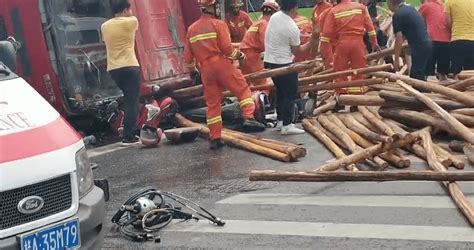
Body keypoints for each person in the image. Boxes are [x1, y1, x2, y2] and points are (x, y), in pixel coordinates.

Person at [184, 0, 266, 150]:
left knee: (213, 104)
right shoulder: (218, 24)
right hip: (221, 63)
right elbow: (227, 49)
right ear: (210, 7)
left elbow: (188, 59)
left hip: (205, 69)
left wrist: (195, 70)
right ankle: (249, 117)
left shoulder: (191, 29)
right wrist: (240, 56)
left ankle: (215, 137)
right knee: (242, 89)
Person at [264, 0, 318, 135]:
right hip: (283, 63)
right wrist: (312, 42)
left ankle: (281, 119)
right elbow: (298, 51)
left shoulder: (275, 17)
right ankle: (287, 125)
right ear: (294, 8)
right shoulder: (291, 26)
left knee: (281, 91)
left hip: (269, 61)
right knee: (290, 93)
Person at [102, 0, 142, 145]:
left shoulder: (104, 26)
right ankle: (128, 136)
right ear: (125, 10)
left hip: (113, 69)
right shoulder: (131, 22)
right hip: (130, 66)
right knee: (132, 101)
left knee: (127, 97)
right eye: (129, 10)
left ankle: (125, 126)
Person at [321, 0, 380, 94]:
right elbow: (370, 28)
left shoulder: (333, 11)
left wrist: (326, 57)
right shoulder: (361, 7)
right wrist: (374, 43)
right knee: (358, 72)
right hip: (358, 44)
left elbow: (325, 36)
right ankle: (355, 101)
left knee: (340, 73)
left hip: (342, 45)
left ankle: (341, 98)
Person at [239, 0, 279, 94]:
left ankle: (247, 103)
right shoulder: (265, 24)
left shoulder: (258, 22)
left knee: (247, 82)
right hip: (251, 55)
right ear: (273, 12)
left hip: (243, 54)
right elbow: (265, 42)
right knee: (261, 82)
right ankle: (264, 103)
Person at [388, 0, 432, 81]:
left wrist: (396, 59)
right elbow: (409, 31)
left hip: (420, 46)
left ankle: (423, 92)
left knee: (416, 76)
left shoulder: (397, 15)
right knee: (418, 74)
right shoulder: (411, 9)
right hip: (427, 43)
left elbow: (399, 38)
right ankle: (423, 91)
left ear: (391, 3)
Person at [419, 0, 451, 81]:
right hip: (447, 42)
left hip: (432, 41)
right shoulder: (444, 6)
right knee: (442, 74)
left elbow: (417, 20)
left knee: (429, 74)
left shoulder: (426, 6)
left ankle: (429, 90)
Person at [445, 0, 474, 78]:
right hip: (472, 40)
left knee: (456, 70)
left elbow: (448, 22)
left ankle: (456, 88)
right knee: (471, 71)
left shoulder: (449, 2)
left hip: (457, 39)